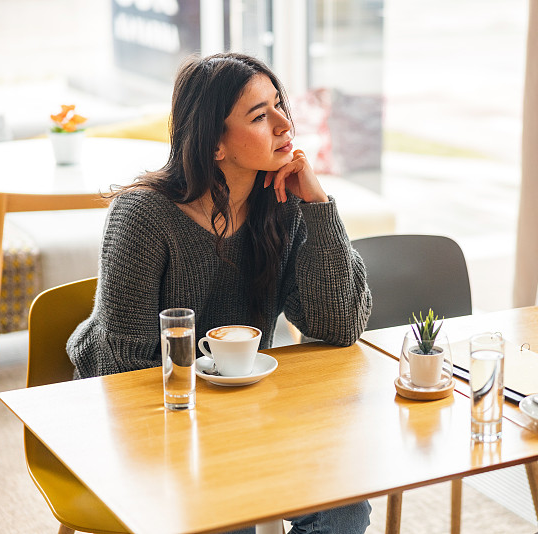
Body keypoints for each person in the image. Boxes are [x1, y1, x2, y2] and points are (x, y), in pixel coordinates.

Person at [67, 52, 372, 534]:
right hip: (152, 419)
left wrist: (318, 206)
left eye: (278, 105)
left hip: (243, 408)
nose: (283, 123)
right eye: (258, 115)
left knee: (345, 504)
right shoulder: (142, 219)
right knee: (228, 519)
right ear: (215, 145)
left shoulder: (284, 207)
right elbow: (122, 371)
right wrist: (219, 427)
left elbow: (338, 326)